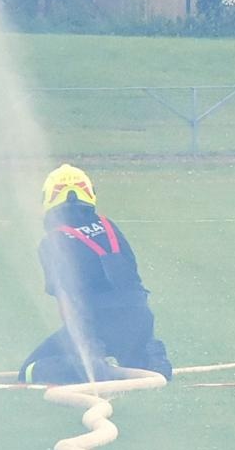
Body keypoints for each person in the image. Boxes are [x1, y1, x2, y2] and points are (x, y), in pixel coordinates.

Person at [20, 164, 173, 384]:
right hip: (139, 320)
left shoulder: (52, 241)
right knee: (143, 369)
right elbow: (131, 278)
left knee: (29, 371)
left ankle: (92, 367)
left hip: (95, 325)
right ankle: (151, 356)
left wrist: (82, 344)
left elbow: (65, 301)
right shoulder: (109, 226)